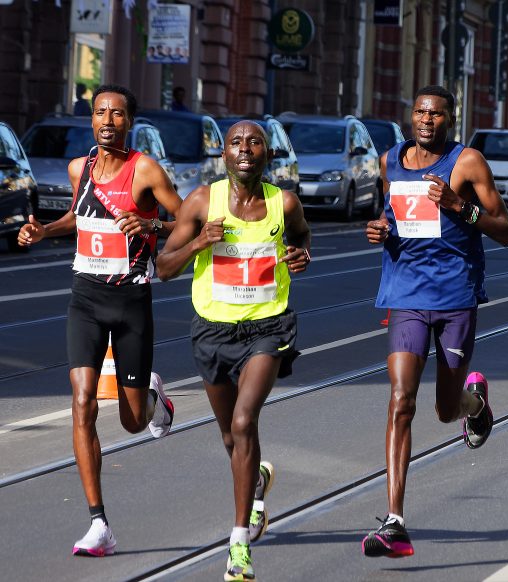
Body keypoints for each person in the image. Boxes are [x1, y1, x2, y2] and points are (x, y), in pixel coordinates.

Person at [16, 84, 181, 557]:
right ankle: (99, 523)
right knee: (83, 401)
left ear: (131, 122)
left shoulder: (145, 170)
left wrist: (152, 225)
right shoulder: (79, 167)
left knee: (132, 423)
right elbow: (78, 216)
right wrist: (44, 228)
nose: (108, 120)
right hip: (85, 298)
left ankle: (153, 396)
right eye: (100, 112)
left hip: (131, 302)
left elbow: (187, 218)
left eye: (118, 114)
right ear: (91, 120)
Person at [361, 85, 508, 558]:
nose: (427, 120)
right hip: (406, 293)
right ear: (412, 116)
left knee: (444, 410)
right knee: (400, 398)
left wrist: (458, 206)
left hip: (454, 296)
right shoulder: (391, 161)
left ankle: (475, 404)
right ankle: (394, 521)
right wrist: (380, 229)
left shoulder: (467, 163)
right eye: (421, 112)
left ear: (451, 118)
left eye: (437, 114)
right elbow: (392, 216)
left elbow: (506, 231)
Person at [155, 120, 310, 581]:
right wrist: (200, 241)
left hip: (267, 327)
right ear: (224, 154)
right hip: (212, 332)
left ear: (268, 154)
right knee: (230, 437)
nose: (245, 149)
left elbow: (301, 237)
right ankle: (256, 480)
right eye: (236, 143)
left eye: (255, 142)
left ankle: (238, 544)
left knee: (245, 422)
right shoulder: (203, 202)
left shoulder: (284, 203)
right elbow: (163, 267)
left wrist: (302, 254)